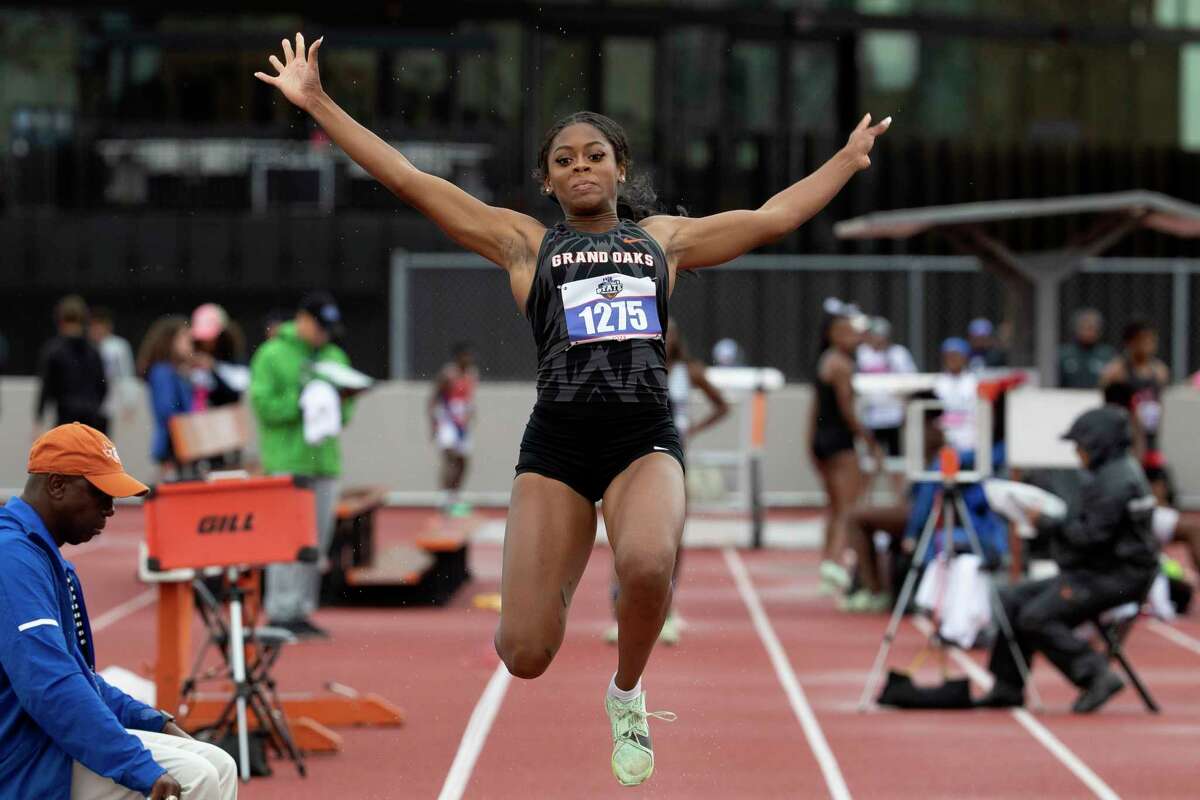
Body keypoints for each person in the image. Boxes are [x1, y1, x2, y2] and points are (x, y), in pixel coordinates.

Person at [255, 32, 889, 787]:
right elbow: (407, 177)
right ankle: (553, 575)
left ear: (621, 168)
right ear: (547, 183)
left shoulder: (664, 242)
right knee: (524, 655)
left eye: (595, 155)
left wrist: (846, 162)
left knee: (650, 561)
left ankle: (627, 693)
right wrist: (319, 101)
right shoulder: (526, 245)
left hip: (641, 438)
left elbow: (774, 216)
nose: (581, 166)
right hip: (556, 446)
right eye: (564, 160)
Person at [0, 423, 237, 799]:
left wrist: (154, 721)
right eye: (100, 493)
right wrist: (137, 766)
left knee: (220, 764)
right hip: (22, 760)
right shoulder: (13, 559)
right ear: (57, 486)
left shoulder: (38, 554)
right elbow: (50, 686)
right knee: (196, 778)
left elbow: (78, 678)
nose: (111, 508)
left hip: (41, 741)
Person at [976, 406, 1159, 713]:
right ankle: (1008, 685)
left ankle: (1095, 674)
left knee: (1036, 616)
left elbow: (1087, 539)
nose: (1077, 454)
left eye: (1080, 446)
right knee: (1010, 598)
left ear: (1098, 444)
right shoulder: (1113, 473)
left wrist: (1044, 522)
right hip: (1102, 572)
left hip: (1120, 580)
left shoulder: (1115, 482)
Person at [605, 320, 729, 645]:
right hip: (631, 455)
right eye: (660, 330)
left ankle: (667, 611)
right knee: (624, 534)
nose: (665, 336)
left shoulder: (690, 372)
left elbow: (723, 406)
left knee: (672, 539)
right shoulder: (631, 365)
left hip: (673, 460)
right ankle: (620, 613)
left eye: (671, 331)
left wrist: (694, 429)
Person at [249, 291, 355, 641]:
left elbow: (346, 412)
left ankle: (302, 609)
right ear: (303, 320)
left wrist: (338, 402)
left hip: (324, 460)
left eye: (329, 328)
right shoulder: (272, 354)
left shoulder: (334, 355)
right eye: (319, 326)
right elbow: (264, 405)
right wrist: (302, 401)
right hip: (288, 459)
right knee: (287, 540)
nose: (324, 335)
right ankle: (280, 610)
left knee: (315, 542)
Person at [843, 399, 1005, 613]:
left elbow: (926, 501)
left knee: (856, 517)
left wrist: (912, 533)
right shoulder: (953, 450)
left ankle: (875, 591)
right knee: (862, 517)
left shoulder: (970, 451)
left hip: (944, 513)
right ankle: (875, 587)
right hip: (931, 505)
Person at [810, 309, 883, 595]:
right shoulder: (841, 365)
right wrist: (870, 442)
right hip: (839, 440)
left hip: (823, 438)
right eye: (847, 332)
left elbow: (815, 410)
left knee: (834, 505)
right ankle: (836, 563)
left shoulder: (824, 361)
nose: (854, 337)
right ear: (833, 334)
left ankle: (827, 560)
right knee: (848, 507)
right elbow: (848, 411)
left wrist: (811, 443)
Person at [1100, 319, 1172, 504]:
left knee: (1158, 487)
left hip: (1150, 437)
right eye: (1144, 341)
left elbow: (1160, 403)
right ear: (1131, 343)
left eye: (1152, 341)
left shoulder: (1159, 371)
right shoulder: (1116, 372)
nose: (1150, 346)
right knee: (1128, 487)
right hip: (1126, 438)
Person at [856, 316, 917, 499]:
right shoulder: (862, 354)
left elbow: (910, 381)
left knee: (895, 463)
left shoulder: (898, 354)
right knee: (870, 462)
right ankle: (866, 500)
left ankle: (898, 499)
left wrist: (905, 409)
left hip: (893, 416)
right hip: (871, 417)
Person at [35, 295, 108, 436]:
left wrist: (39, 417)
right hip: (91, 419)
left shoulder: (53, 350)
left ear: (60, 320)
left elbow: (46, 386)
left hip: (65, 418)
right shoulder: (93, 350)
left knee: (66, 455)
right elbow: (103, 386)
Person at [136, 317, 195, 480]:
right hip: (172, 442)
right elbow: (166, 409)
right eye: (184, 338)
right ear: (170, 341)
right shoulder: (163, 371)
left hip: (177, 440)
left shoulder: (175, 371)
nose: (190, 343)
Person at [429, 342, 479, 517]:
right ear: (458, 357)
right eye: (466, 356)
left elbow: (469, 398)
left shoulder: (472, 374)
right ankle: (445, 498)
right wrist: (433, 425)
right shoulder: (447, 374)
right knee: (450, 458)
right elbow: (433, 398)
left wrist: (472, 415)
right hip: (448, 420)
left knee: (463, 461)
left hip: (463, 423)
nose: (470, 359)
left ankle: (455, 496)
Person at [89, 308, 140, 438]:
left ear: (107, 327)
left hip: (107, 402)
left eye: (99, 326)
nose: (96, 330)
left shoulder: (117, 347)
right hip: (87, 402)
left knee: (102, 439)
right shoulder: (86, 347)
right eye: (93, 327)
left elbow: (126, 374)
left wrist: (129, 402)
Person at [933, 338, 979, 458]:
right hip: (944, 440)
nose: (952, 359)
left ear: (965, 357)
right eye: (949, 355)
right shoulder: (938, 382)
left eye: (956, 355)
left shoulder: (973, 382)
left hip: (970, 440)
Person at [1058, 308, 1114, 389]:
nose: (1087, 332)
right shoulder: (1064, 354)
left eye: (1091, 328)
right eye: (1083, 327)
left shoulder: (1108, 355)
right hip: (1067, 398)